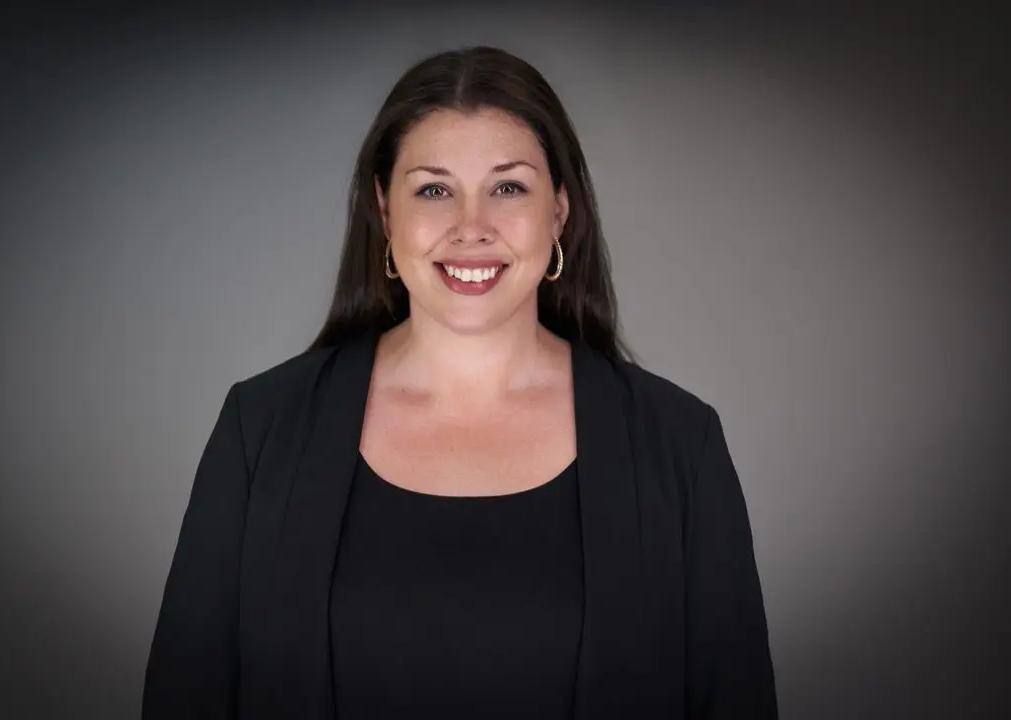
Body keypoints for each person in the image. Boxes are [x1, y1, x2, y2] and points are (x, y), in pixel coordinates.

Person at [142, 45, 777, 719]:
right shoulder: (261, 430)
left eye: (508, 187)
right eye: (434, 190)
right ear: (385, 213)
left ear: (559, 212)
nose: (471, 228)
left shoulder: (679, 445)